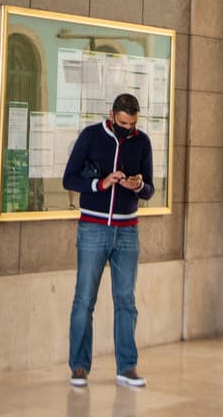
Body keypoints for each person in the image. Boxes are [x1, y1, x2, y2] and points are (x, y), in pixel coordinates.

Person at [61, 93, 155, 390]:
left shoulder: (142, 142)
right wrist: (99, 184)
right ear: (112, 115)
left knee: (126, 301)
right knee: (84, 299)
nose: (128, 129)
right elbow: (69, 179)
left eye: (133, 124)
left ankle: (127, 367)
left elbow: (150, 188)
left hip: (128, 230)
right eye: (123, 123)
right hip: (93, 228)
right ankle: (78, 367)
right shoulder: (91, 136)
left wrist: (138, 185)